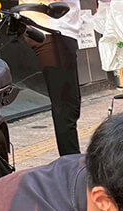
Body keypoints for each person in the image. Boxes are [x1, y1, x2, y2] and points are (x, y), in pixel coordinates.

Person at [22, 0, 82, 156]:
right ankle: (71, 164)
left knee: (67, 106)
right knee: (66, 106)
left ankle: (71, 161)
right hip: (51, 29)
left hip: (41, 27)